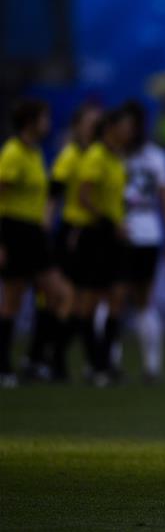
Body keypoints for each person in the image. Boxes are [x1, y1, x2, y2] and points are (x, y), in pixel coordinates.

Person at [0, 99, 73, 388]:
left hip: (34, 234)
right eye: (44, 118)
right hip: (13, 231)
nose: (48, 123)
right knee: (12, 302)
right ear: (30, 122)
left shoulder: (35, 152)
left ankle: (36, 359)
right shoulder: (13, 153)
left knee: (59, 294)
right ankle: (4, 366)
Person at [119, 100, 165, 382]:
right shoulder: (156, 157)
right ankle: (148, 366)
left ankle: (113, 364)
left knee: (122, 299)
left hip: (131, 230)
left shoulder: (115, 156)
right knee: (135, 300)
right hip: (145, 230)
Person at [42, 102, 103, 380]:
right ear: (78, 126)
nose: (95, 127)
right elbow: (54, 195)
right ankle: (53, 358)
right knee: (70, 300)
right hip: (74, 232)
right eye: (90, 122)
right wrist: (45, 228)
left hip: (94, 232)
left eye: (98, 122)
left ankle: (64, 360)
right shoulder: (71, 155)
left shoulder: (100, 154)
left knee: (83, 302)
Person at [70, 108, 131, 385]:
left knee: (117, 296)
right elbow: (83, 197)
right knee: (89, 301)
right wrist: (109, 221)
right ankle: (95, 364)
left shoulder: (117, 157)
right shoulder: (95, 156)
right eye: (124, 126)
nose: (129, 131)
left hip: (114, 237)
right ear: (111, 128)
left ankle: (105, 361)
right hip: (96, 236)